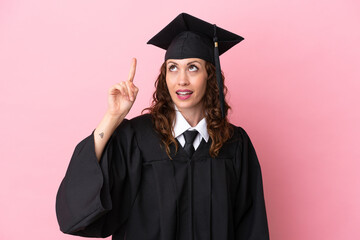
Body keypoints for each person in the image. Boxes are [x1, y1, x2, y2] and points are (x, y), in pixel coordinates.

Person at [56, 13, 270, 240]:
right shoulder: (136, 138)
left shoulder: (235, 144)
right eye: (173, 68)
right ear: (164, 76)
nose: (182, 80)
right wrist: (112, 117)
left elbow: (251, 228)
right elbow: (77, 208)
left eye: (193, 68)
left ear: (210, 74)